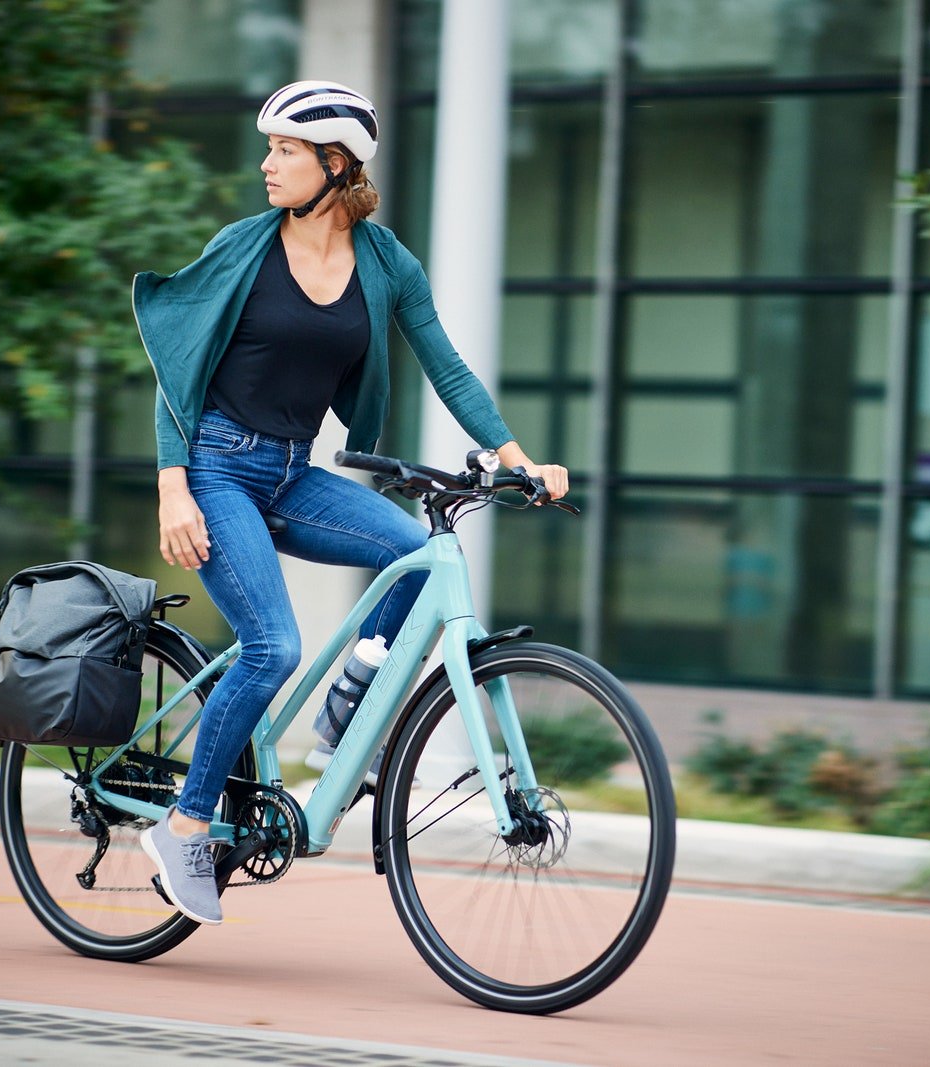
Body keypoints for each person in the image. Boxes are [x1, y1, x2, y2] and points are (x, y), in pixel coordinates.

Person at [130, 81, 568, 926]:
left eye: (285, 151)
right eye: (271, 149)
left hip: (293, 472)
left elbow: (446, 365)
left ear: (336, 166)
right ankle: (185, 824)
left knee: (414, 556)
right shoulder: (244, 248)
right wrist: (172, 485)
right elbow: (177, 371)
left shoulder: (385, 262)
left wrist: (517, 457)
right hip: (218, 468)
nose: (267, 165)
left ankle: (343, 721)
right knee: (271, 647)